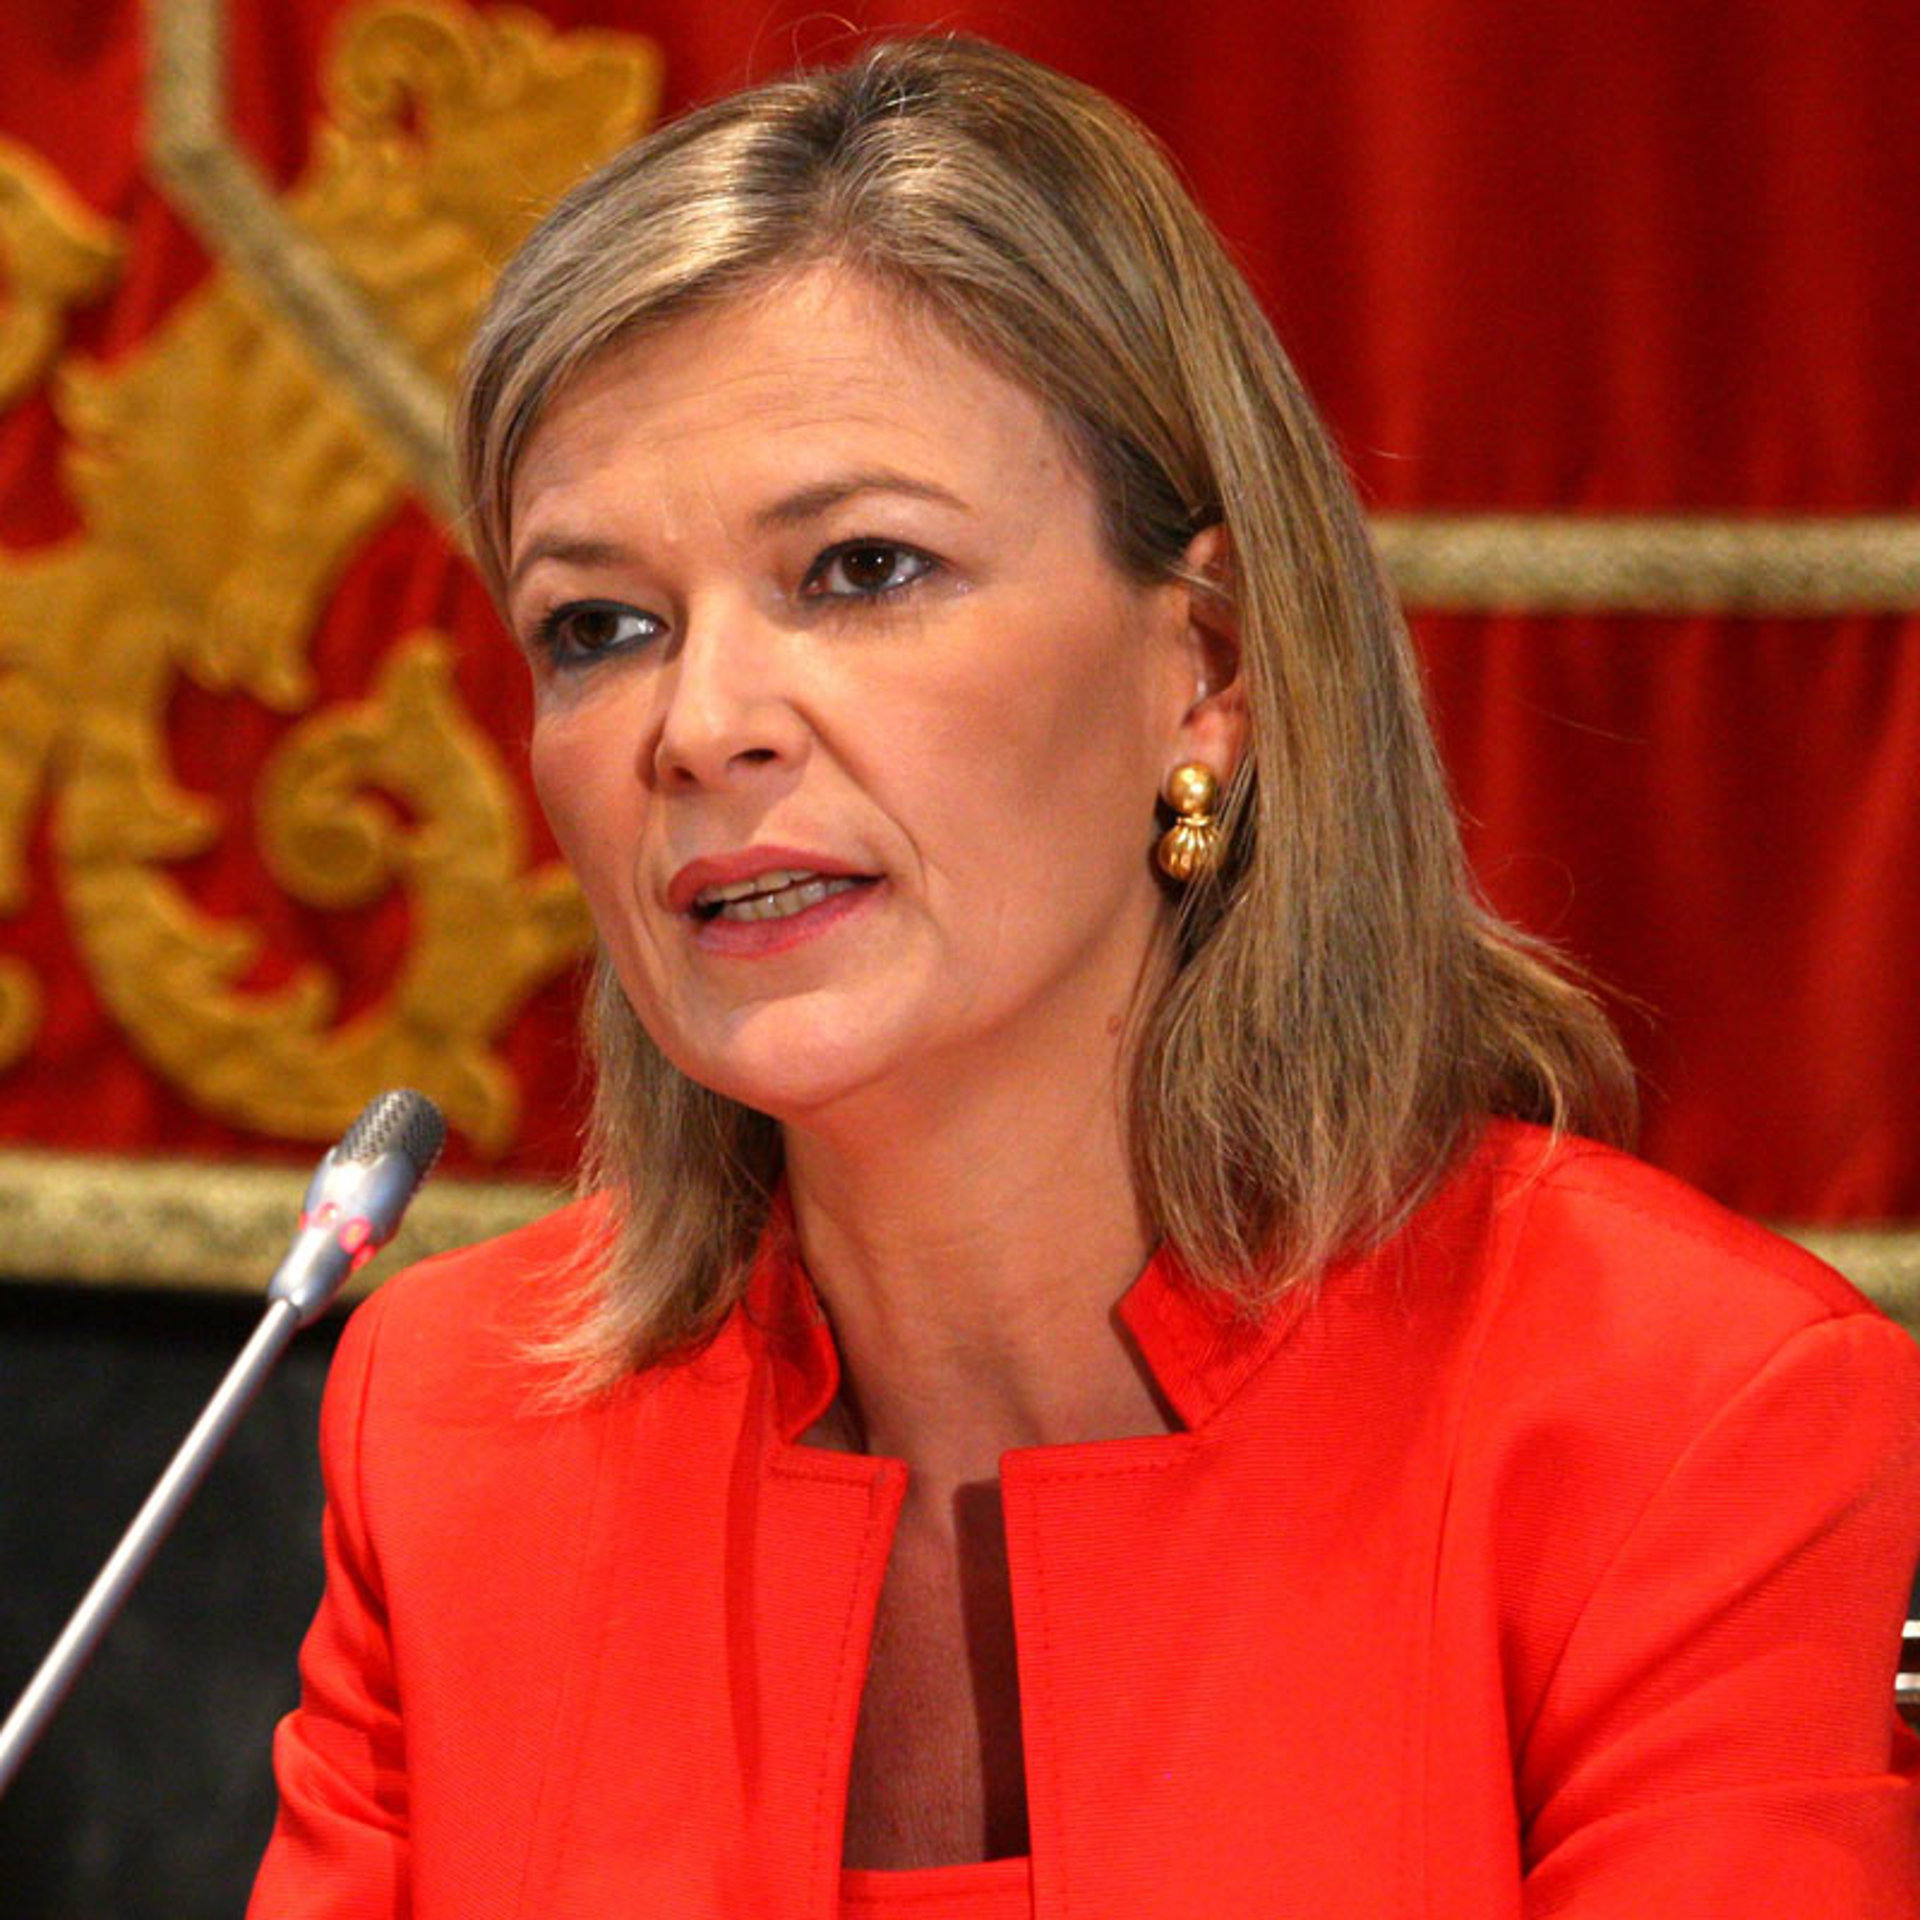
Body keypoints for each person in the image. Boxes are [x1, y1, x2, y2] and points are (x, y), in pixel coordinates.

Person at [249, 36, 1920, 1919]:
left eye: (861, 569)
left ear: (1208, 664)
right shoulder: (454, 1428)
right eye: (600, 626)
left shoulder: (1681, 1420)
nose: (699, 726)